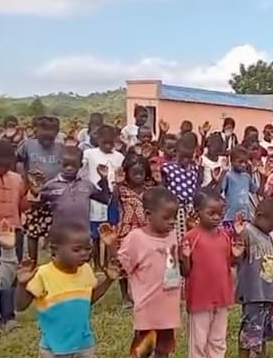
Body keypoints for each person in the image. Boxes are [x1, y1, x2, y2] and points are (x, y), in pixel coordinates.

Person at [15, 219, 116, 358]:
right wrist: (22, 284)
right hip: (53, 347)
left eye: (88, 249)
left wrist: (108, 280)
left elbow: (88, 298)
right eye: (77, 249)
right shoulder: (43, 275)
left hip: (83, 342)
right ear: (54, 251)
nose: (84, 254)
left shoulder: (85, 271)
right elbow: (20, 306)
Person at [115, 187, 183, 358]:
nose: (172, 222)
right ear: (148, 214)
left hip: (169, 306)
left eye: (174, 217)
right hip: (147, 309)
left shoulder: (173, 235)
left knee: (164, 350)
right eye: (166, 217)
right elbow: (123, 264)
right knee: (143, 352)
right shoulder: (136, 238)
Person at [179, 188, 240, 358]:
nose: (216, 218)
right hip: (199, 298)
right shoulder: (191, 237)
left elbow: (229, 263)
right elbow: (184, 272)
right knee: (198, 341)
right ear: (197, 212)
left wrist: (237, 255)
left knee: (218, 339)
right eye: (211, 213)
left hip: (221, 296)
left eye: (220, 213)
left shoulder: (225, 235)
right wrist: (185, 257)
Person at [235, 197, 273, 358]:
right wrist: (238, 234)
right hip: (253, 291)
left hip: (267, 291)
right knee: (250, 329)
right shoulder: (247, 231)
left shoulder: (267, 235)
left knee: (264, 328)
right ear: (260, 216)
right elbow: (237, 253)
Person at [18, 116, 64, 263]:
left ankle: (54, 265)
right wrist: (25, 181)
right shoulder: (27, 145)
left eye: (52, 131)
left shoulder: (60, 148)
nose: (48, 135)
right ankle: (31, 263)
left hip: (55, 197)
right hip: (34, 197)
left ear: (57, 133)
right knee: (32, 232)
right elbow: (18, 161)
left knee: (55, 233)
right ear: (36, 130)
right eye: (44, 130)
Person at [115, 153, 155, 307]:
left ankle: (143, 293)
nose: (138, 176)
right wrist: (116, 184)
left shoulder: (150, 189)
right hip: (126, 231)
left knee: (145, 263)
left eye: (141, 172)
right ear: (126, 173)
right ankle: (125, 296)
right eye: (134, 173)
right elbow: (112, 200)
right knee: (124, 263)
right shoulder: (121, 189)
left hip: (145, 230)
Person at [0, 141, 24, 334]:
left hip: (14, 232)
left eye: (7, 160)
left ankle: (8, 316)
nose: (3, 164)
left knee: (11, 275)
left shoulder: (17, 179)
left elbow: (23, 205)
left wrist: (33, 191)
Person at [82, 125, 124, 268]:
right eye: (104, 142)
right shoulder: (89, 153)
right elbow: (81, 170)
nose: (107, 145)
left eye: (110, 143)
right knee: (95, 234)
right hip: (96, 197)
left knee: (109, 231)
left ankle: (106, 262)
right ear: (98, 139)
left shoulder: (119, 157)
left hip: (112, 197)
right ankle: (97, 264)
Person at [39, 147, 111, 225]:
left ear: (81, 165)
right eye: (65, 165)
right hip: (59, 233)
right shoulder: (51, 185)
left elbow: (106, 199)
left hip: (81, 232)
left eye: (73, 165)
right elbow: (37, 206)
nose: (69, 168)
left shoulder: (87, 185)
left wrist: (104, 179)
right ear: (59, 163)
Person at [161, 133, 201, 246]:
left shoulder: (194, 169)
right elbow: (163, 190)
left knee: (190, 243)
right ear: (176, 152)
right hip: (174, 212)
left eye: (189, 157)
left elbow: (196, 188)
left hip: (190, 212)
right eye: (183, 156)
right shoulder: (167, 168)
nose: (186, 160)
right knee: (175, 242)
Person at [220, 147, 258, 234]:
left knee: (242, 238)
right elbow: (221, 189)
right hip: (230, 215)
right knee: (230, 236)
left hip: (245, 215)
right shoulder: (228, 176)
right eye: (240, 162)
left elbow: (254, 190)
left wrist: (259, 174)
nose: (243, 165)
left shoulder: (246, 177)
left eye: (245, 162)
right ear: (232, 162)